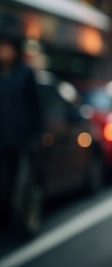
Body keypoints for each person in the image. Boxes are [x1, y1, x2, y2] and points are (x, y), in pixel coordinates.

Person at [0, 32, 43, 232]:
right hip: (3, 139)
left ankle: (25, 220)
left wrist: (35, 135)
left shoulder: (25, 73)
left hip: (22, 139)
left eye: (6, 47)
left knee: (23, 182)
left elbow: (36, 107)